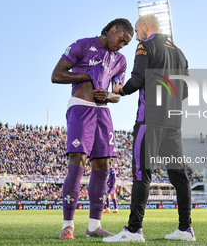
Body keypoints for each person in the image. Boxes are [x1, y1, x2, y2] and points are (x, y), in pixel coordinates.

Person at [103, 14, 195, 242]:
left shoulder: (146, 46)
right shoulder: (179, 53)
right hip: (173, 124)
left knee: (141, 173)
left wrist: (119, 90)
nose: (136, 38)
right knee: (180, 177)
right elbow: (185, 91)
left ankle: (134, 230)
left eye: (137, 31)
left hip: (149, 121)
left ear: (145, 27)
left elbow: (136, 79)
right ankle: (185, 229)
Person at [51, 18, 133, 240]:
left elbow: (117, 93)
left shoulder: (121, 61)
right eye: (122, 39)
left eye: (126, 43)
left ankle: (94, 226)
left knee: (103, 165)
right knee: (77, 162)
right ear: (112, 29)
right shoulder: (83, 45)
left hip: (103, 112)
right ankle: (68, 225)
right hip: (80, 108)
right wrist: (87, 76)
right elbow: (56, 75)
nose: (122, 45)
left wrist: (107, 95)